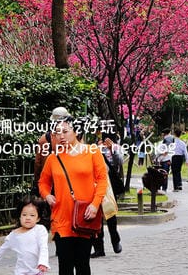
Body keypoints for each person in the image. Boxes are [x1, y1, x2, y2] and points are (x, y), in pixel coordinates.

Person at [38, 117, 108, 275]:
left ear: (76, 132)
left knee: (83, 264)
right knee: (65, 266)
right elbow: (43, 182)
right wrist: (47, 196)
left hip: (85, 217)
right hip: (61, 218)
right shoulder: (53, 158)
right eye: (57, 132)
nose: (61, 136)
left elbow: (102, 180)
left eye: (65, 131)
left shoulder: (92, 152)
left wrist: (95, 204)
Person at [0, 197, 50, 274]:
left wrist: (43, 263)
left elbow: (43, 247)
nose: (27, 218)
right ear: (20, 216)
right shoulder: (14, 235)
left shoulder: (40, 230)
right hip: (20, 271)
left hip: (37, 271)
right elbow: (1, 251)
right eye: (24, 215)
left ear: (38, 218)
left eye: (32, 215)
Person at [91, 133, 123, 257]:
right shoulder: (92, 150)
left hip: (109, 188)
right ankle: (99, 248)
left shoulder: (114, 149)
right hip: (94, 187)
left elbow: (118, 162)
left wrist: (111, 150)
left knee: (110, 217)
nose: (101, 143)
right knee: (96, 218)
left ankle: (115, 241)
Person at [32, 108, 70, 184]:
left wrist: (37, 182)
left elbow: (37, 163)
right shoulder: (70, 138)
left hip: (48, 181)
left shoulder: (44, 138)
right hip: (66, 181)